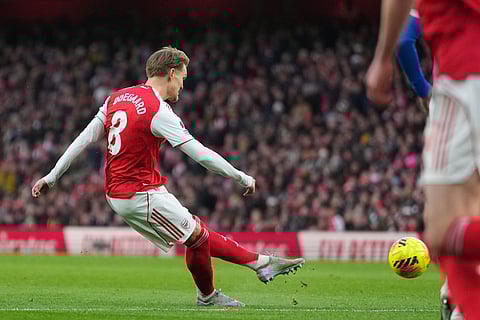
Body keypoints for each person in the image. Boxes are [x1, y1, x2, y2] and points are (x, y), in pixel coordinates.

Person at [31, 46, 304, 307]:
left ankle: (221, 287)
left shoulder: (117, 98)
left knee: (195, 235)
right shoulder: (157, 110)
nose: (183, 86)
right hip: (137, 193)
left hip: (123, 189)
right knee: (196, 235)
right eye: (183, 77)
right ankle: (258, 266)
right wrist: (240, 176)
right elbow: (201, 155)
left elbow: (84, 138)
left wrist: (53, 176)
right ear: (171, 73)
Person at [367, 0, 480, 319]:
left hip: (465, 77)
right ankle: (460, 305)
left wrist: (385, 61)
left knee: (445, 231)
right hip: (464, 78)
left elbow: (404, 38)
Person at [396, 9, 462, 320]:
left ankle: (454, 294)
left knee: (456, 209)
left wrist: (423, 89)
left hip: (455, 105)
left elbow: (403, 42)